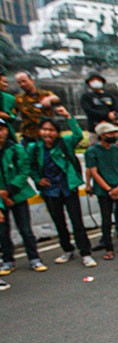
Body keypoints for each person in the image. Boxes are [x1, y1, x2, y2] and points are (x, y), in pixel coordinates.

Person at [27, 106, 97, 267]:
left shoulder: (65, 143)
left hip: (68, 187)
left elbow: (78, 135)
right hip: (50, 190)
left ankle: (85, 253)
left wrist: (68, 116)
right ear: (39, 131)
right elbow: (30, 166)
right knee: (59, 222)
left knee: (77, 221)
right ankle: (68, 250)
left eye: (51, 130)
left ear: (57, 132)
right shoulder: (35, 148)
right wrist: (38, 180)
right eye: (44, 130)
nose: (47, 133)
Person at [84, 121, 118, 260]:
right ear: (101, 135)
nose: (114, 135)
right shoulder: (92, 151)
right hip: (104, 190)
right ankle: (109, 248)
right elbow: (93, 172)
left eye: (115, 133)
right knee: (106, 220)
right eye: (110, 133)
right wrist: (109, 189)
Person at [0, 118, 47, 273]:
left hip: (17, 194)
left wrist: (10, 190)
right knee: (2, 231)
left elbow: (24, 170)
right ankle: (8, 260)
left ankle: (34, 258)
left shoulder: (16, 149)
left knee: (25, 229)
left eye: (2, 129)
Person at [14, 71, 60, 145]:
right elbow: (12, 114)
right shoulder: (18, 99)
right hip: (29, 136)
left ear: (31, 80)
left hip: (46, 136)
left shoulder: (45, 94)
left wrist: (49, 99)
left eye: (24, 81)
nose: (22, 84)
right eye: (19, 83)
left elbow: (57, 98)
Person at [79, 72, 118, 145]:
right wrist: (106, 115)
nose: (95, 82)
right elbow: (89, 111)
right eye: (92, 81)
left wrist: (114, 115)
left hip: (110, 128)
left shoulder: (109, 96)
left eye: (97, 80)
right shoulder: (86, 97)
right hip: (94, 128)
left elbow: (117, 108)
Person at [0, 73, 17, 141]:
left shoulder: (10, 98)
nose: (6, 85)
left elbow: (13, 116)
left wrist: (6, 116)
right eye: (4, 82)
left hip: (6, 136)